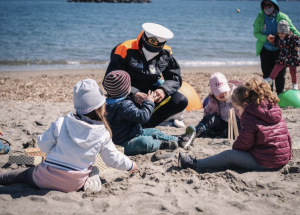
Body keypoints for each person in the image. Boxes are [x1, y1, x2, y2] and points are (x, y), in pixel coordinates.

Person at [0, 79, 136, 192]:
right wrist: (131, 166)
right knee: (93, 167)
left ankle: (3, 178)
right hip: (74, 185)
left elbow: (43, 146)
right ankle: (92, 179)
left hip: (43, 179)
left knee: (24, 174)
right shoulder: (103, 134)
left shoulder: (61, 123)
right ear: (101, 106)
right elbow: (113, 159)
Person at [179, 78, 292, 171]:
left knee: (229, 155)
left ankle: (194, 164)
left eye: (238, 108)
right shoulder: (274, 108)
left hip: (266, 163)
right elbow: (287, 137)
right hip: (283, 158)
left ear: (245, 104)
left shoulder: (249, 115)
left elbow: (244, 143)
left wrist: (235, 149)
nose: (238, 111)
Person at [104, 23, 188, 128]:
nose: (151, 53)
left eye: (155, 51)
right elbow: (110, 80)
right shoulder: (124, 48)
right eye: (148, 48)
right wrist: (134, 93)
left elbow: (175, 78)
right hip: (125, 94)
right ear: (143, 39)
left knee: (180, 101)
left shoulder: (166, 52)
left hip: (149, 94)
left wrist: (163, 90)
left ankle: (145, 126)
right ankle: (128, 125)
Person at [103, 71, 195, 155]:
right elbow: (143, 117)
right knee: (145, 142)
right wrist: (149, 102)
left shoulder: (105, 103)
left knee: (154, 132)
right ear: (127, 89)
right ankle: (162, 144)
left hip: (134, 132)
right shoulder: (124, 105)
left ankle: (179, 140)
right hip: (123, 142)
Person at [253, 0, 300, 95]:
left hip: (281, 50)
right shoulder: (260, 17)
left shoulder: (282, 17)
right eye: (264, 5)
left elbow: (296, 33)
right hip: (265, 48)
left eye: (269, 4)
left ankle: (280, 94)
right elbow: (256, 33)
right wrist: (266, 38)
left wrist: (292, 42)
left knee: (280, 74)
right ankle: (268, 95)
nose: (267, 7)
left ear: (274, 5)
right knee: (267, 73)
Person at [185, 72, 238, 138]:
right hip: (220, 123)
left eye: (223, 91)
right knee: (210, 118)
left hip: (235, 123)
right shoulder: (213, 101)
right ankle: (196, 131)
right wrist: (207, 122)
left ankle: (220, 133)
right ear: (213, 92)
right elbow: (207, 112)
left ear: (228, 87)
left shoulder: (236, 96)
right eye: (218, 92)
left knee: (238, 129)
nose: (221, 94)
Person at [264, 20, 300, 90]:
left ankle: (295, 85)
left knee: (293, 72)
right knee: (276, 67)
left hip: (292, 57)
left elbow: (298, 39)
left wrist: (297, 46)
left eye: (282, 33)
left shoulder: (292, 37)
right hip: (283, 57)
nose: (280, 35)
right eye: (279, 33)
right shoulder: (280, 38)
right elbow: (277, 44)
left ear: (287, 32)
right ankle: (270, 79)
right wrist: (273, 41)